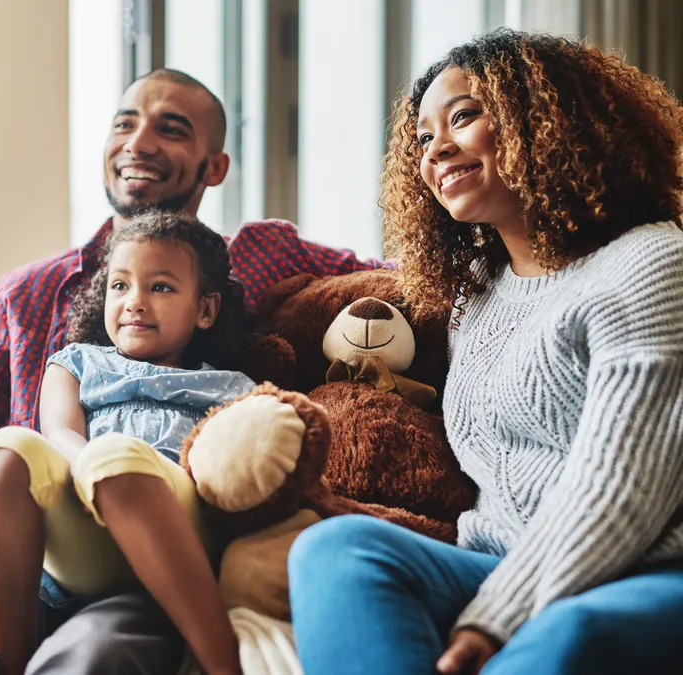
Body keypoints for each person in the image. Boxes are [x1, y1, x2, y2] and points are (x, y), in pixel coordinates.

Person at [0, 68, 384, 674]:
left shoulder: (265, 257)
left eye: (171, 128)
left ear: (214, 166)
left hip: (156, 549)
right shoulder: (29, 292)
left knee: (88, 660)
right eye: (124, 124)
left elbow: (403, 283)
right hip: (17, 548)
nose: (138, 143)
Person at [287, 28, 683, 675]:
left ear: (547, 120)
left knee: (569, 632)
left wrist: (495, 617)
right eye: (421, 139)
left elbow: (621, 490)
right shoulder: (477, 294)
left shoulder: (650, 261)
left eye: (463, 116)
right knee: (335, 550)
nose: (436, 150)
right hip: (498, 562)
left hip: (642, 565)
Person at [0, 211, 254, 675]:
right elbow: (59, 432)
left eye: (160, 287)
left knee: (116, 458)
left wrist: (109, 463)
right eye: (120, 286)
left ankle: (225, 664)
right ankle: (9, 663)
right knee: (3, 453)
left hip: (178, 522)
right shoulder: (75, 363)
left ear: (205, 310)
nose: (135, 302)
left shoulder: (232, 387)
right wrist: (88, 469)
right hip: (83, 521)